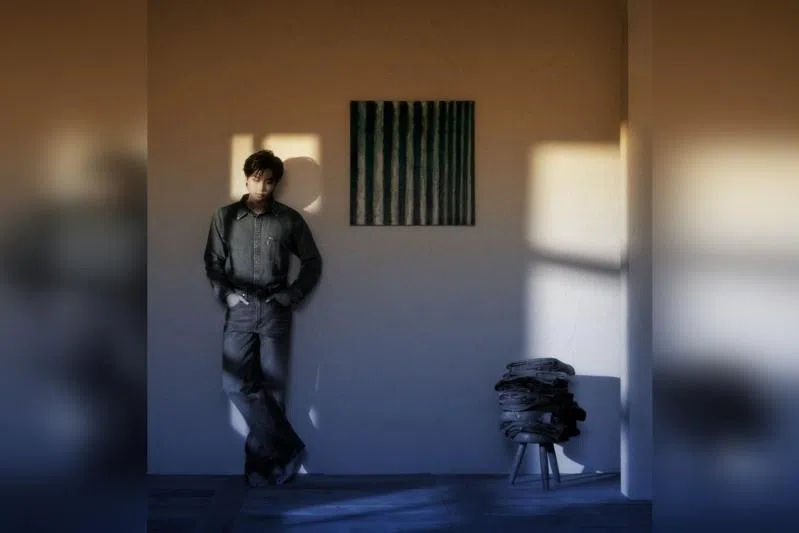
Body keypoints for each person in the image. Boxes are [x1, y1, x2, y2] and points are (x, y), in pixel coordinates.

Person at [204, 149, 322, 486]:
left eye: (269, 181)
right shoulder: (224, 217)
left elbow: (313, 261)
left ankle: (262, 470)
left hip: (274, 310)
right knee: (234, 384)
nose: (263, 187)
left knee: (274, 390)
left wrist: (292, 294)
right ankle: (289, 448)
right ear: (246, 179)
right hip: (239, 309)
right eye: (257, 179)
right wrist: (226, 294)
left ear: (276, 183)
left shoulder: (289, 219)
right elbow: (213, 262)